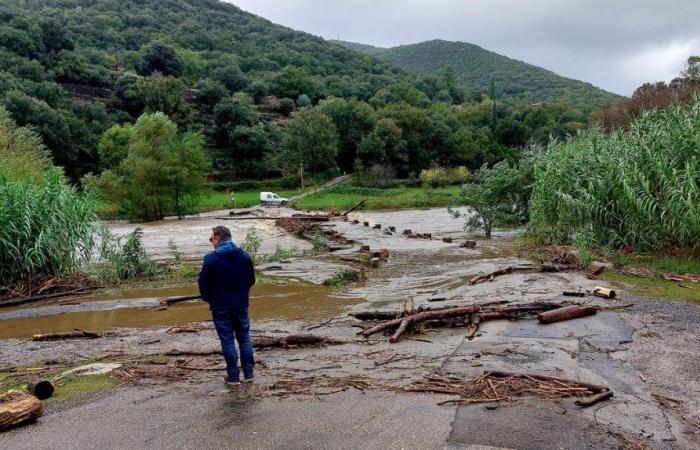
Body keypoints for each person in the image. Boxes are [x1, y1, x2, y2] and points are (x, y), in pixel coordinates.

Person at [198, 225, 256, 387]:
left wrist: (209, 298)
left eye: (211, 239)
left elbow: (203, 284)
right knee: (244, 338)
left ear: (217, 238)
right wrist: (241, 293)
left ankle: (233, 377)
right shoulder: (244, 255)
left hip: (220, 305)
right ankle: (249, 374)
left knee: (227, 341)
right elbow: (251, 280)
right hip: (241, 304)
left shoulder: (211, 259)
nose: (211, 242)